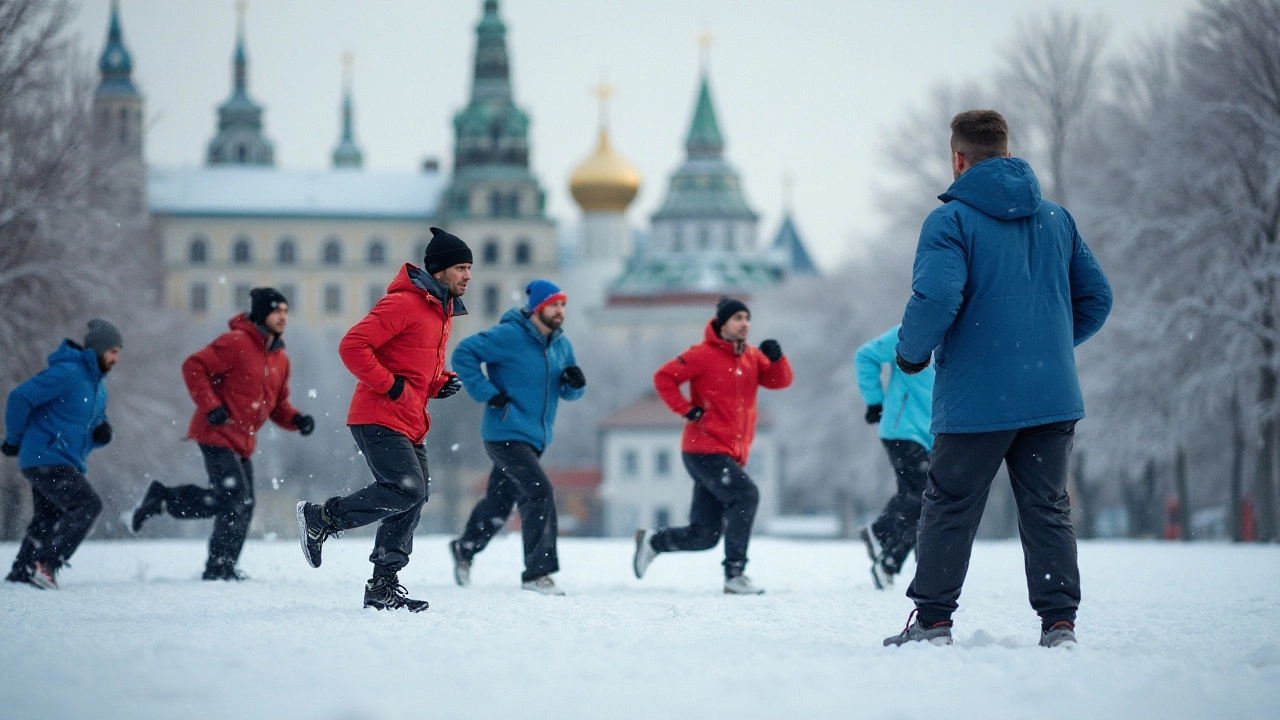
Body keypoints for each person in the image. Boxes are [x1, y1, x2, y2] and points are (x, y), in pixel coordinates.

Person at [883, 110, 1111, 649]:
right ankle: (1059, 624)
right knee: (1047, 506)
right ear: (1008, 153)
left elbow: (936, 297)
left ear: (957, 159)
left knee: (950, 506)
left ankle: (934, 622)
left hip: (975, 399)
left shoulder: (951, 221)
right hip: (1050, 396)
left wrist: (910, 356)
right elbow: (1097, 298)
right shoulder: (1057, 219)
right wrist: (1046, 347)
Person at [296, 226, 471, 612]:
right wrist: (390, 386)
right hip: (378, 415)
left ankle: (382, 584)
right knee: (406, 488)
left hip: (409, 418)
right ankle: (322, 517)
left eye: (469, 268)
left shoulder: (440, 312)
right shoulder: (405, 304)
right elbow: (353, 345)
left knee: (415, 495)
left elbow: (414, 365)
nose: (468, 276)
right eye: (461, 267)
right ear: (439, 270)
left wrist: (438, 384)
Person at [131, 289, 314, 581]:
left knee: (243, 503)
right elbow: (194, 366)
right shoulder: (236, 342)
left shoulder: (280, 358)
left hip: (242, 442)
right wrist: (211, 406)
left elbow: (279, 406)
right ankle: (210, 557)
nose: (282, 316)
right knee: (235, 498)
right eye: (276, 310)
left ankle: (219, 563)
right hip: (215, 432)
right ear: (260, 313)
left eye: (286, 311)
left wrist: (297, 420)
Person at [633, 297, 793, 595]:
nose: (744, 323)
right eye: (737, 318)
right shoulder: (702, 355)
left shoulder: (753, 357)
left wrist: (778, 358)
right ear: (722, 323)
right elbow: (664, 377)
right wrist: (686, 409)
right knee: (746, 495)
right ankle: (735, 574)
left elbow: (779, 381)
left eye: (747, 318)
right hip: (702, 449)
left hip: (729, 454)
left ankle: (653, 541)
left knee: (704, 536)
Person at [448, 280, 585, 596]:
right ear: (538, 308)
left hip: (536, 439)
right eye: (554, 305)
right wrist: (488, 393)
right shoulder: (509, 336)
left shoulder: (562, 345)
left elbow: (570, 392)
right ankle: (538, 573)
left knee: (499, 502)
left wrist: (575, 384)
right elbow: (464, 353)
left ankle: (464, 548)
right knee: (538, 491)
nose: (560, 311)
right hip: (504, 433)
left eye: (563, 305)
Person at [3, 320, 122, 589]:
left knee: (48, 518)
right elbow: (19, 397)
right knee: (87, 505)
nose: (116, 358)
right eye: (113, 351)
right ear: (98, 350)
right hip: (46, 457)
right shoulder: (68, 373)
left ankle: (22, 572)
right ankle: (46, 565)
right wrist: (13, 439)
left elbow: (86, 425)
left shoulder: (97, 386)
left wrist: (101, 433)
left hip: (62, 460)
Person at [854, 323, 934, 590]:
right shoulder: (915, 329)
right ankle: (879, 533)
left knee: (926, 502)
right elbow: (866, 355)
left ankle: (888, 563)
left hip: (936, 436)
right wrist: (874, 401)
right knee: (923, 492)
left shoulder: (967, 338)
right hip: (902, 428)